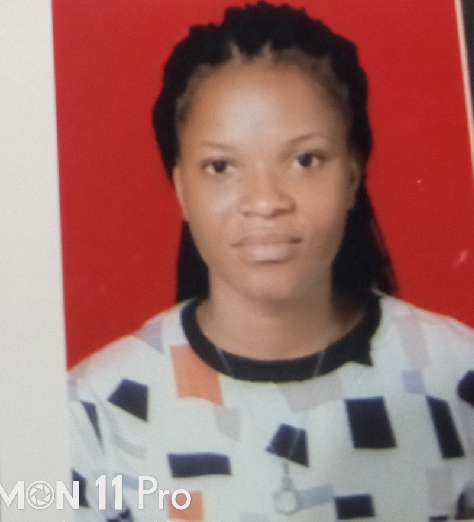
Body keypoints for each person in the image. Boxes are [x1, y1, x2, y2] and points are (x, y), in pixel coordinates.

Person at [69, 2, 474, 521]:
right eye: (221, 166)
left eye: (305, 160)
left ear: (353, 175)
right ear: (181, 188)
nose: (265, 201)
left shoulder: (457, 375)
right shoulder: (94, 414)